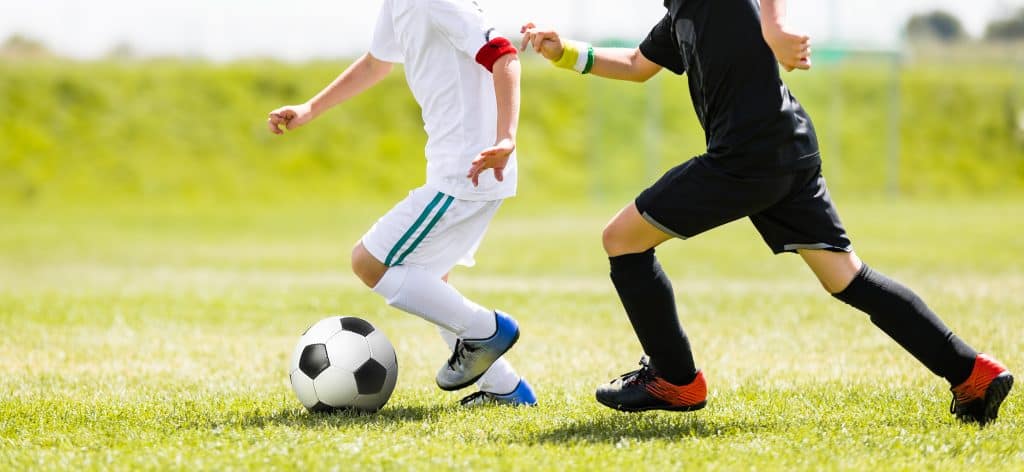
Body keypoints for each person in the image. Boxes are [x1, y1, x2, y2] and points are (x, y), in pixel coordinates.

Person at [520, 0, 1011, 424]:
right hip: (786, 150)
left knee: (621, 239)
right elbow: (633, 63)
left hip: (745, 158)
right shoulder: (680, 15)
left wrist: (775, 27)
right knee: (845, 277)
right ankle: (973, 373)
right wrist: (563, 52)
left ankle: (675, 381)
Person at [267, 0, 536, 407]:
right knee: (431, 281)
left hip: (466, 172)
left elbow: (504, 55)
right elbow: (377, 64)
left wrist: (506, 138)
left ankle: (487, 329)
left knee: (368, 261)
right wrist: (310, 108)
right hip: (460, 172)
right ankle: (507, 389)